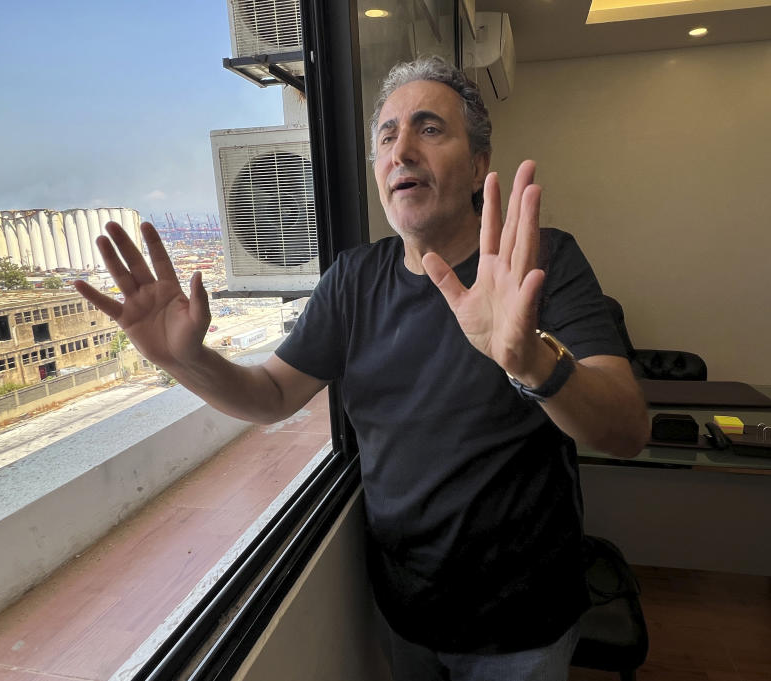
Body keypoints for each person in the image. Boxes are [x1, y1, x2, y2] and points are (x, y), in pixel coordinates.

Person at [75, 56, 648, 681]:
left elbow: (626, 431)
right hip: (406, 609)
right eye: (386, 135)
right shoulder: (352, 280)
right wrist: (187, 360)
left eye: (430, 129)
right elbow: (270, 396)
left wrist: (531, 361)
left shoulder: (542, 260)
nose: (401, 150)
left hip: (522, 623)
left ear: (480, 163)